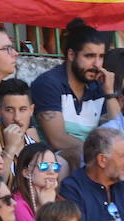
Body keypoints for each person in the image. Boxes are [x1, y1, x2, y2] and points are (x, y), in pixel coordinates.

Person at [30, 20, 107, 152]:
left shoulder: (99, 87)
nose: (97, 64)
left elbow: (117, 133)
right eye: (90, 56)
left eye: (101, 57)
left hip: (94, 158)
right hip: (55, 160)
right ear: (71, 55)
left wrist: (110, 94)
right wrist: (97, 153)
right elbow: (57, 140)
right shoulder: (48, 84)